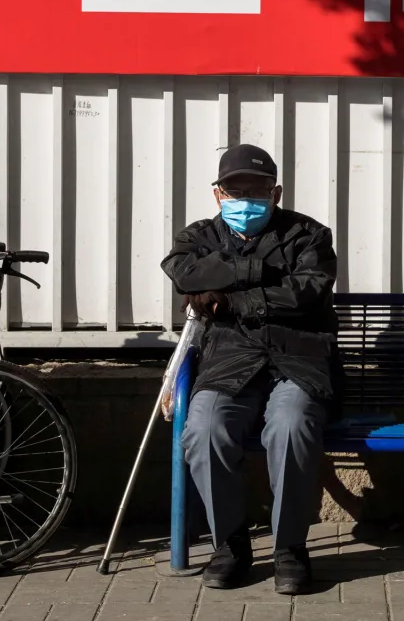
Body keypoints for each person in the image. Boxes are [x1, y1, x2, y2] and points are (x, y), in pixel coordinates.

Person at [161, 144, 338, 595]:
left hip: (297, 357)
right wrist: (264, 272)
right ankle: (230, 544)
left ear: (275, 192)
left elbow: (308, 292)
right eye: (234, 190)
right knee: (203, 429)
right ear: (218, 193)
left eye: (257, 190)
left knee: (291, 424)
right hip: (229, 359)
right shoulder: (197, 236)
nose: (245, 199)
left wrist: (231, 296)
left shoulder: (310, 234)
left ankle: (290, 548)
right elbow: (185, 275)